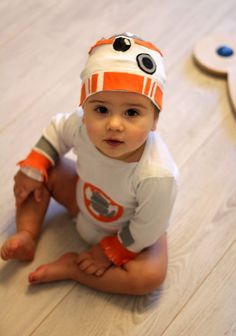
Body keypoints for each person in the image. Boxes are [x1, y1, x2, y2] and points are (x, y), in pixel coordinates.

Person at [0, 33, 179, 295]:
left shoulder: (158, 175)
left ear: (154, 120)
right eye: (101, 110)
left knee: (149, 278)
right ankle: (27, 233)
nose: (114, 124)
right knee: (39, 169)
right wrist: (35, 166)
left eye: (132, 112)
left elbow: (147, 228)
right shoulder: (81, 125)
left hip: (128, 229)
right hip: (80, 199)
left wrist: (112, 251)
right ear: (85, 109)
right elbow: (57, 130)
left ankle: (74, 268)